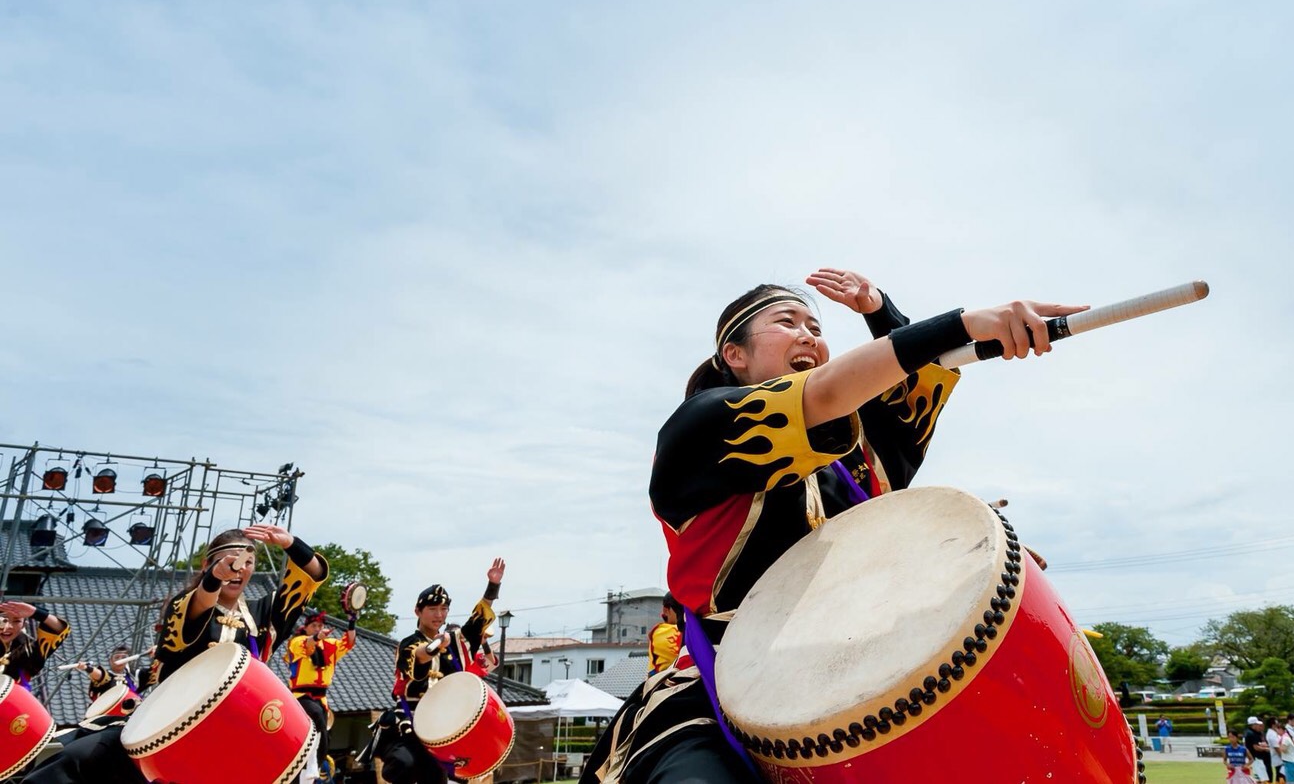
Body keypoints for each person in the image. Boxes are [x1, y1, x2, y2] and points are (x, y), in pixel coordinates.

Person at [581, 269, 1085, 784]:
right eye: (787, 322)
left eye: (816, 327)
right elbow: (826, 395)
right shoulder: (697, 432)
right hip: (714, 692)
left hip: (847, 682)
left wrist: (880, 312)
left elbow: (901, 397)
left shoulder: (851, 467)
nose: (809, 335)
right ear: (735, 354)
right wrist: (967, 323)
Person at [26, 522, 328, 784]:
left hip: (239, 731)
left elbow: (309, 575)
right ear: (206, 566)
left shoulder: (264, 614)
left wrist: (290, 544)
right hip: (173, 728)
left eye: (247, 562)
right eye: (228, 562)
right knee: (78, 758)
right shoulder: (185, 605)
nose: (239, 569)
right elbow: (197, 609)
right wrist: (214, 578)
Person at [367, 558, 507, 784]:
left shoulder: (456, 643)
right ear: (418, 611)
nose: (439, 615)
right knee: (405, 763)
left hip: (443, 727)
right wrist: (436, 645)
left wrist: (492, 588)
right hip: (409, 721)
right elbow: (418, 657)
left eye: (444, 609)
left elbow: (476, 623)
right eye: (432, 609)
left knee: (438, 777)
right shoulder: (408, 643)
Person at [288, 608, 357, 769]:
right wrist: (317, 637)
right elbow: (308, 644)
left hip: (322, 698)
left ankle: (316, 764)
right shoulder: (296, 642)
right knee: (316, 716)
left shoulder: (329, 645)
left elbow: (349, 642)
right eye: (314, 625)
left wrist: (352, 621)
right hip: (301, 695)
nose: (317, 628)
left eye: (320, 626)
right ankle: (310, 763)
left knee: (325, 732)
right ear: (306, 628)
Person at [0, 598, 70, 689]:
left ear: (24, 625)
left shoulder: (27, 651)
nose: (8, 626)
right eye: (3, 620)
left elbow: (59, 629)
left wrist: (36, 613)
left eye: (17, 621)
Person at [647, 594, 682, 677]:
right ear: (666, 610)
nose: (683, 613)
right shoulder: (660, 633)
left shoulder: (657, 632)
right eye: (679, 608)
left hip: (663, 682)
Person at [1246, 715, 1274, 782]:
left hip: (1262, 758)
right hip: (1257, 759)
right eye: (1256, 724)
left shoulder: (1258, 733)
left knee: (1263, 776)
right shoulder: (1251, 734)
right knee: (1262, 777)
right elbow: (1255, 747)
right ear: (1253, 724)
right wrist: (1266, 749)